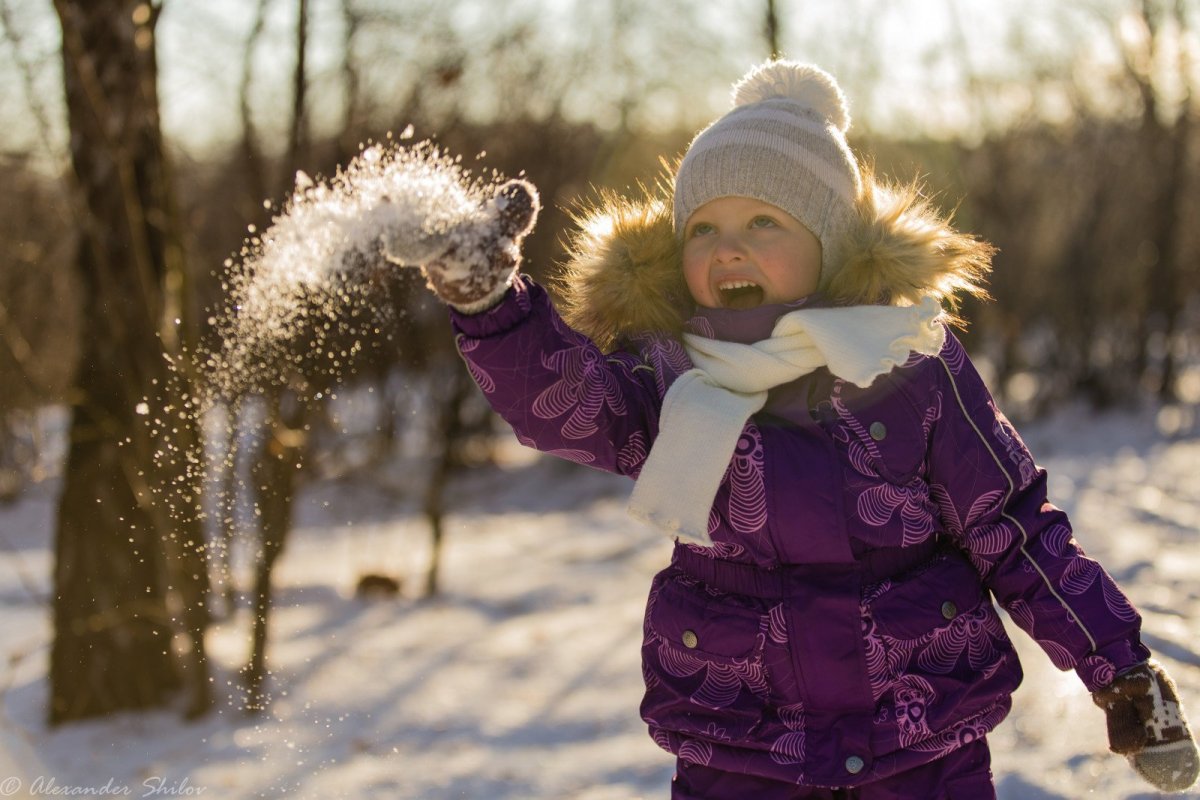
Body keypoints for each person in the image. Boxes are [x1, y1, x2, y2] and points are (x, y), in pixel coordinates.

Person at [407, 60, 1199, 798]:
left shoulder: (906, 362)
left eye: (763, 222)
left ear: (829, 242)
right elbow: (566, 404)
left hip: (919, 748)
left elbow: (1012, 525)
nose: (728, 249)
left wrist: (1120, 668)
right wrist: (491, 308)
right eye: (702, 230)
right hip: (742, 752)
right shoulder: (672, 373)